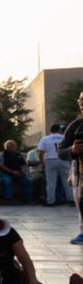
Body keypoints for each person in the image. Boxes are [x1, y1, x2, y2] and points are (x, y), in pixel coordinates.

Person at [61, 91, 83, 244]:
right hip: (80, 173)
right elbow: (61, 152)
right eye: (81, 101)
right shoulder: (76, 126)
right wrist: (72, 150)